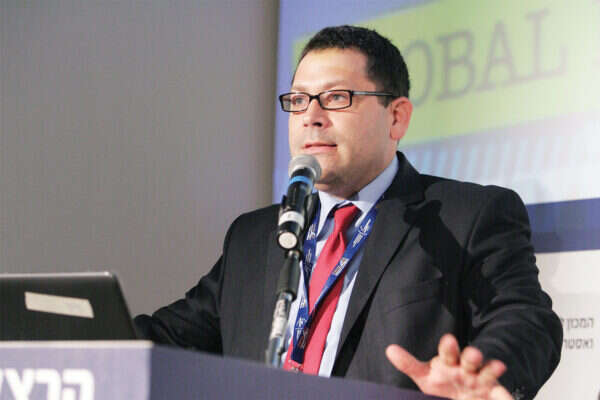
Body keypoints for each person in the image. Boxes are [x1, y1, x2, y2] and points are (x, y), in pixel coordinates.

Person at [135, 25, 562, 400]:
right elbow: (169, 338)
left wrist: (483, 372)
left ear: (397, 118)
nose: (311, 117)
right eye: (298, 100)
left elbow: (526, 320)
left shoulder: (467, 216)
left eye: (336, 97)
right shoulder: (253, 235)